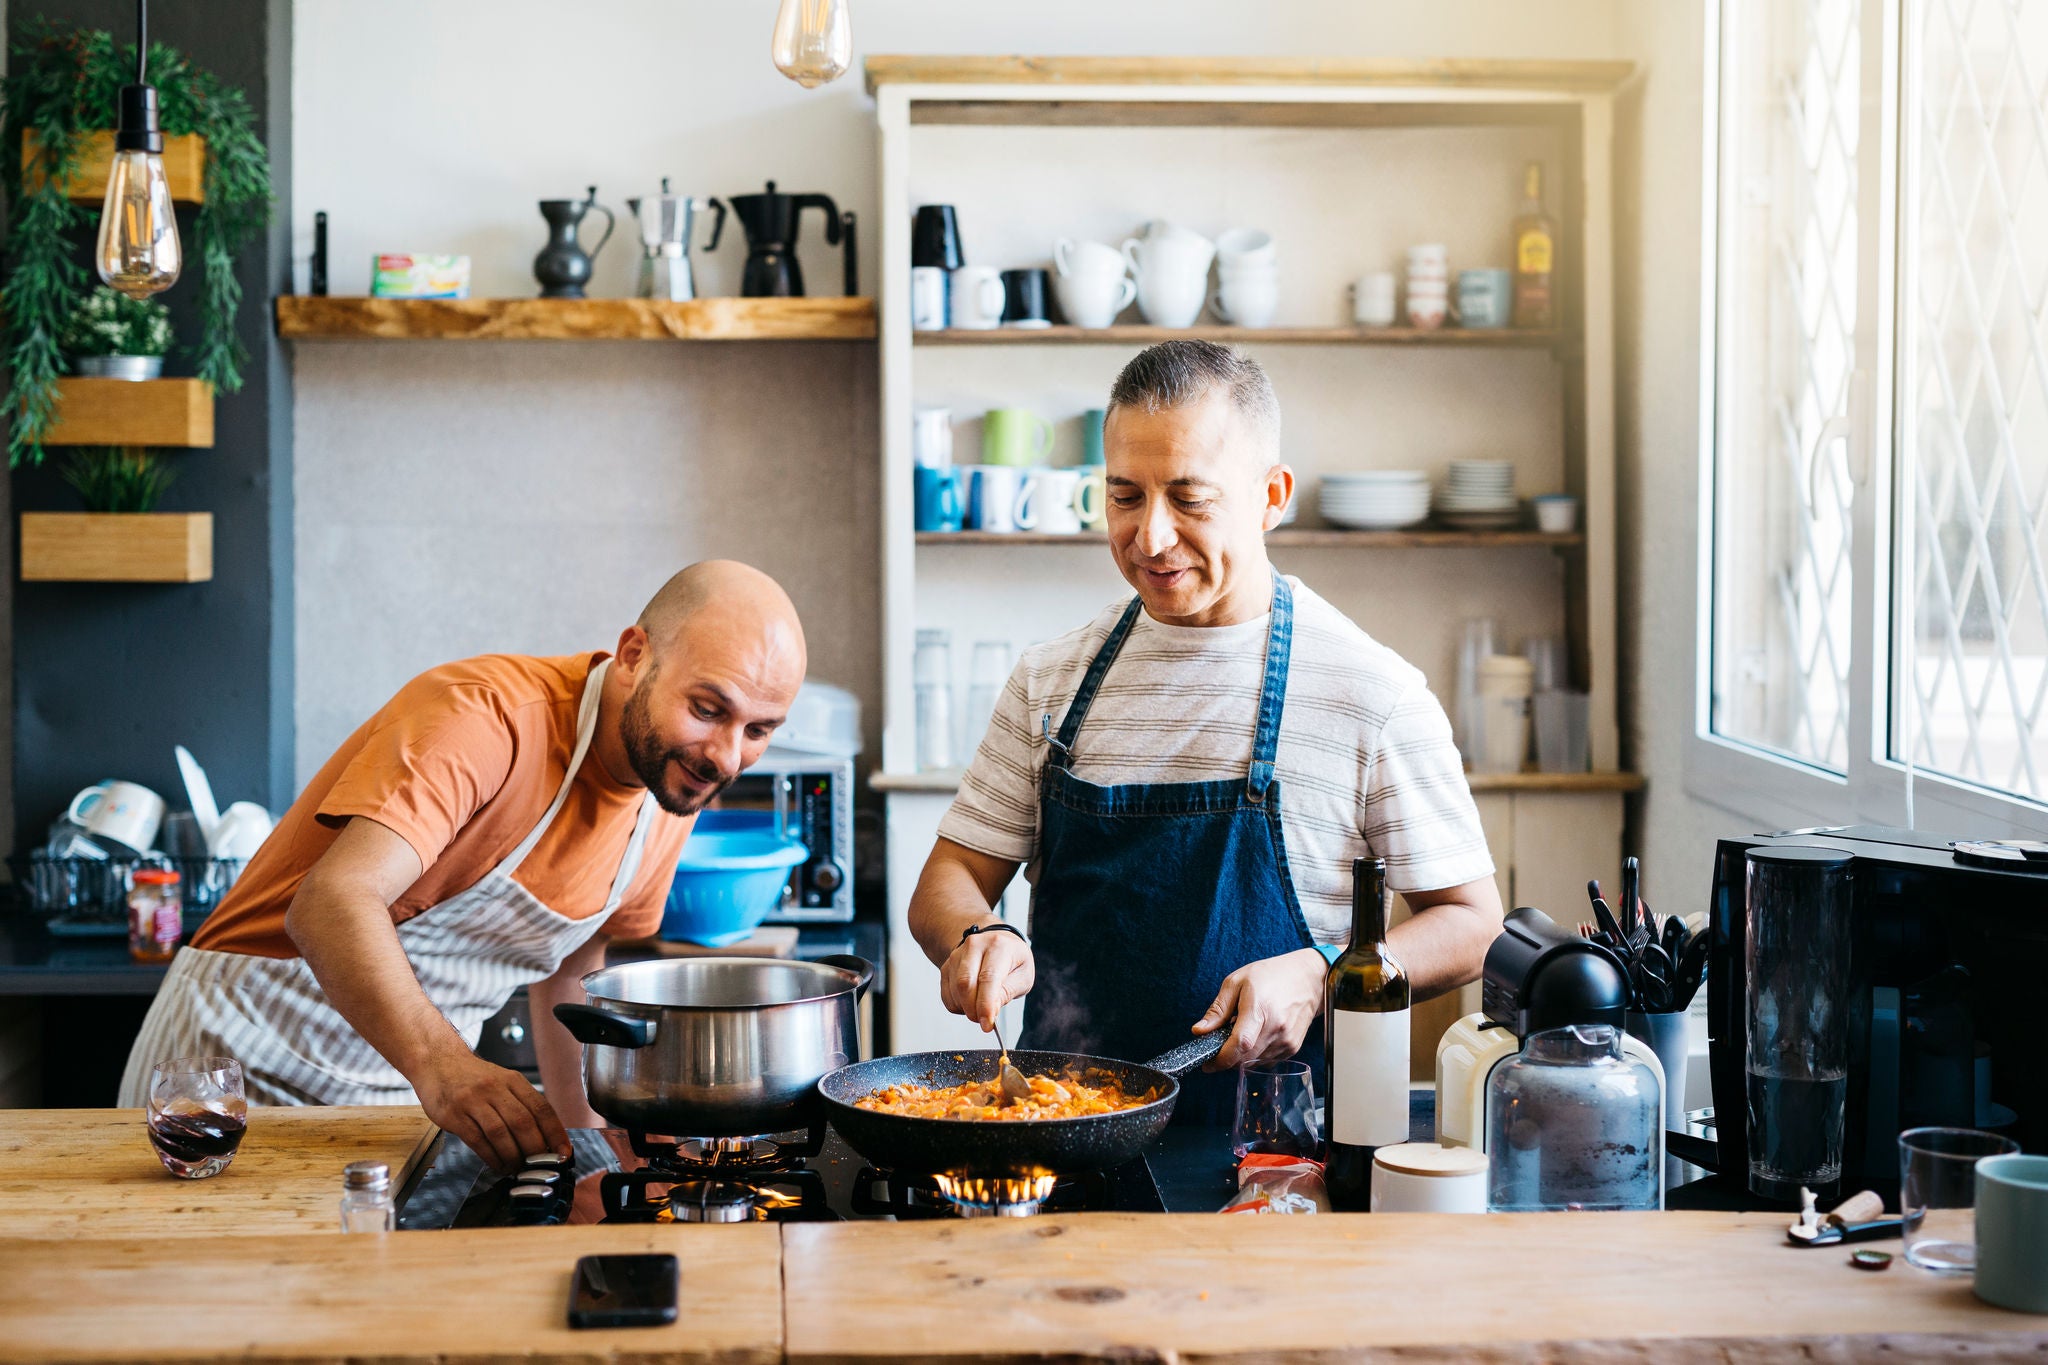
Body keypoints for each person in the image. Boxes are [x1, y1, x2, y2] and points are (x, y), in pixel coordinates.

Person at [907, 341, 1503, 1115]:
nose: (1151, 536)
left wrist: (1324, 973)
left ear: (1271, 496)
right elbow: (945, 882)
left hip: (1281, 1162)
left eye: (1190, 499)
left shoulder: (1373, 695)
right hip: (1063, 1139)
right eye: (1125, 496)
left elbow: (1474, 923)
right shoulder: (1051, 679)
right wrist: (975, 936)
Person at [118, 561, 806, 1169]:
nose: (725, 755)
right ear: (633, 653)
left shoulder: (666, 792)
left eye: (758, 730)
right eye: (707, 708)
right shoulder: (486, 717)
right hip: (234, 1077)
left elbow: (570, 965)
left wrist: (590, 1144)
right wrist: (445, 1065)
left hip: (401, 1104)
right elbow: (332, 902)